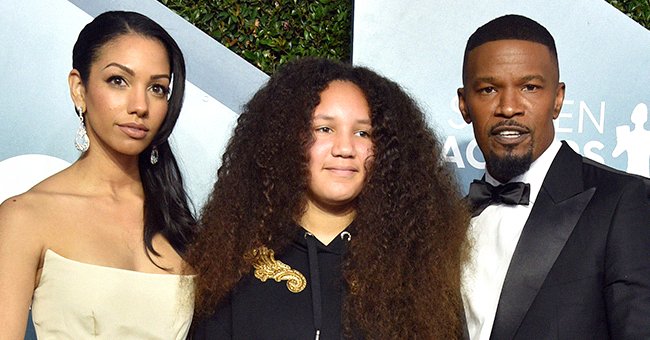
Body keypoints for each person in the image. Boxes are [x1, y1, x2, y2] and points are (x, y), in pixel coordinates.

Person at [188, 57, 470, 339]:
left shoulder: (417, 270)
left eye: (363, 133)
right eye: (325, 129)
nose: (345, 148)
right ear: (287, 137)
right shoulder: (232, 264)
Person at [0, 11, 197, 339]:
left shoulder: (178, 222)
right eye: (118, 80)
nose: (140, 105)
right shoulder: (24, 217)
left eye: (157, 88)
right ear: (79, 89)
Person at [457, 14, 650, 340]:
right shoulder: (448, 221)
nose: (508, 107)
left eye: (529, 87)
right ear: (464, 104)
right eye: (488, 89)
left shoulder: (622, 201)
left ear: (558, 99)